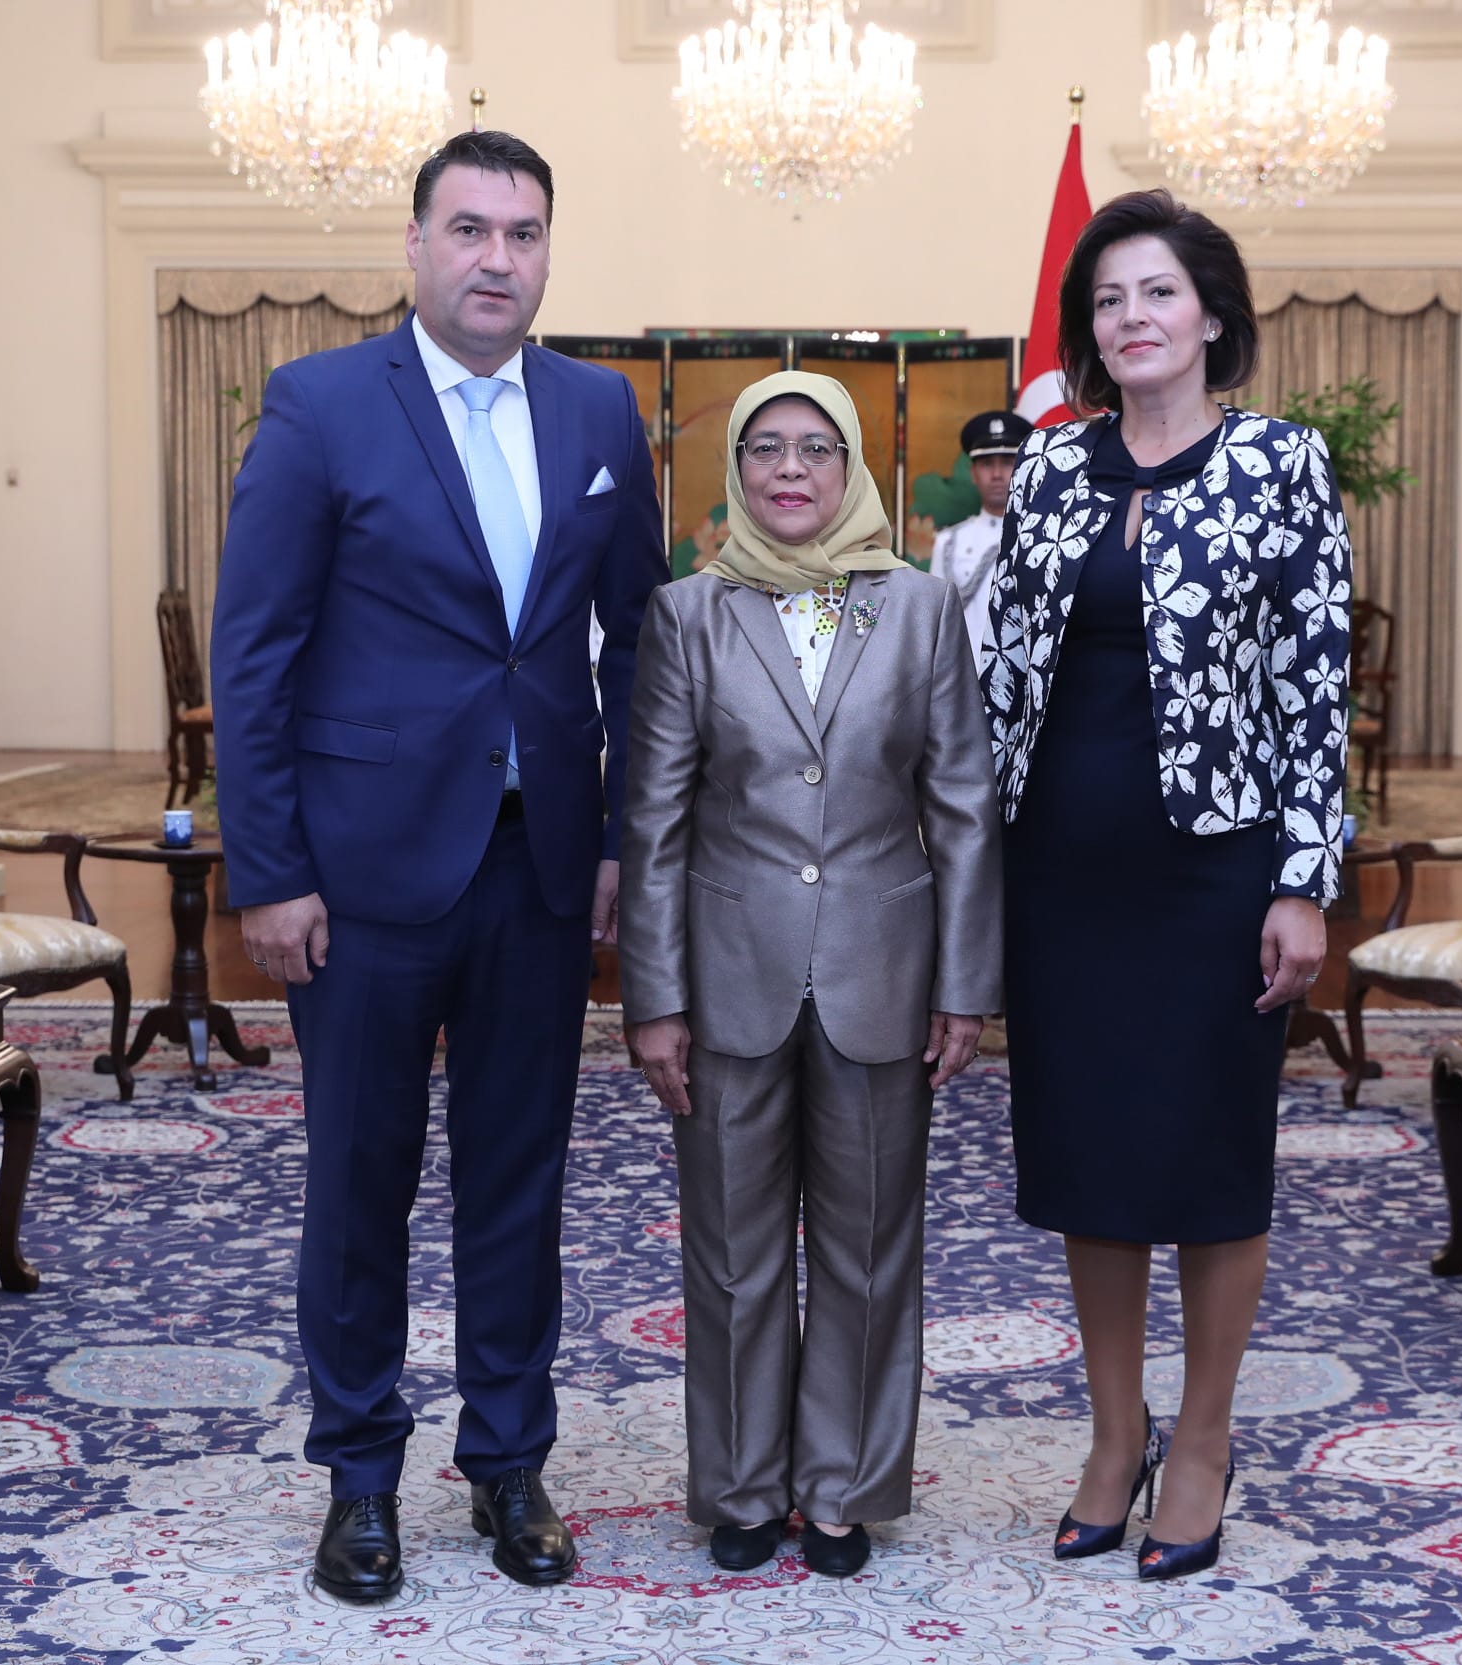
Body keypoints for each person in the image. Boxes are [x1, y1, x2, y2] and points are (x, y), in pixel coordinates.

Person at [210, 129, 668, 1602]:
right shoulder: (322, 403)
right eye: (467, 229)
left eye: (522, 234)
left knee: (519, 1179)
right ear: (413, 248)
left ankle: (509, 1460)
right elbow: (257, 649)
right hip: (358, 878)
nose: (495, 258)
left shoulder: (600, 412)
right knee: (359, 1177)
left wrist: (610, 849)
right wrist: (269, 870)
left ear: (547, 252)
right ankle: (356, 1474)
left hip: (539, 870)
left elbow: (638, 649)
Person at [980, 189, 1351, 1581]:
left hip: (1213, 872)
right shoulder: (1057, 468)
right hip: (1059, 868)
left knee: (1203, 1159)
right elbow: (999, 677)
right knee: (1089, 1158)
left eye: (1153, 294)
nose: (1127, 320)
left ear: (1209, 315)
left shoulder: (1278, 466)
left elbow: (1314, 692)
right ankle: (1110, 1431)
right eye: (1105, 301)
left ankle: (1200, 1439)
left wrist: (1302, 880)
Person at [617, 371, 1001, 1580]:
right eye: (767, 449)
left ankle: (842, 1489)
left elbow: (967, 811)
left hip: (883, 973)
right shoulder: (687, 613)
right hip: (728, 978)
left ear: (852, 470)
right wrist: (655, 1000)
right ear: (735, 470)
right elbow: (657, 823)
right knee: (732, 1250)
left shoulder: (924, 608)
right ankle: (740, 1485)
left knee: (870, 1247)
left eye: (816, 449)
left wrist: (965, 985)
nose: (791, 470)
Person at [931, 408, 1027, 671]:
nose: (997, 474)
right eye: (987, 464)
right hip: (965, 679)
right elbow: (937, 623)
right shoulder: (949, 542)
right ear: (973, 473)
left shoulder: (1041, 538)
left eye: (1007, 462)